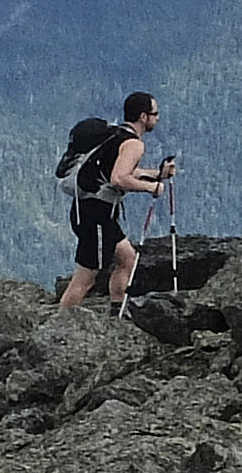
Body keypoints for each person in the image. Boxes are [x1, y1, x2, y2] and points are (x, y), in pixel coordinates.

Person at [57, 92, 175, 311]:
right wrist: (152, 187)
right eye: (155, 114)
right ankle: (60, 326)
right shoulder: (133, 145)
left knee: (127, 257)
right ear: (143, 116)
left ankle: (117, 311)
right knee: (86, 277)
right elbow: (119, 178)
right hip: (97, 216)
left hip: (88, 209)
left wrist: (158, 174)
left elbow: (122, 171)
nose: (157, 118)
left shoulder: (115, 134)